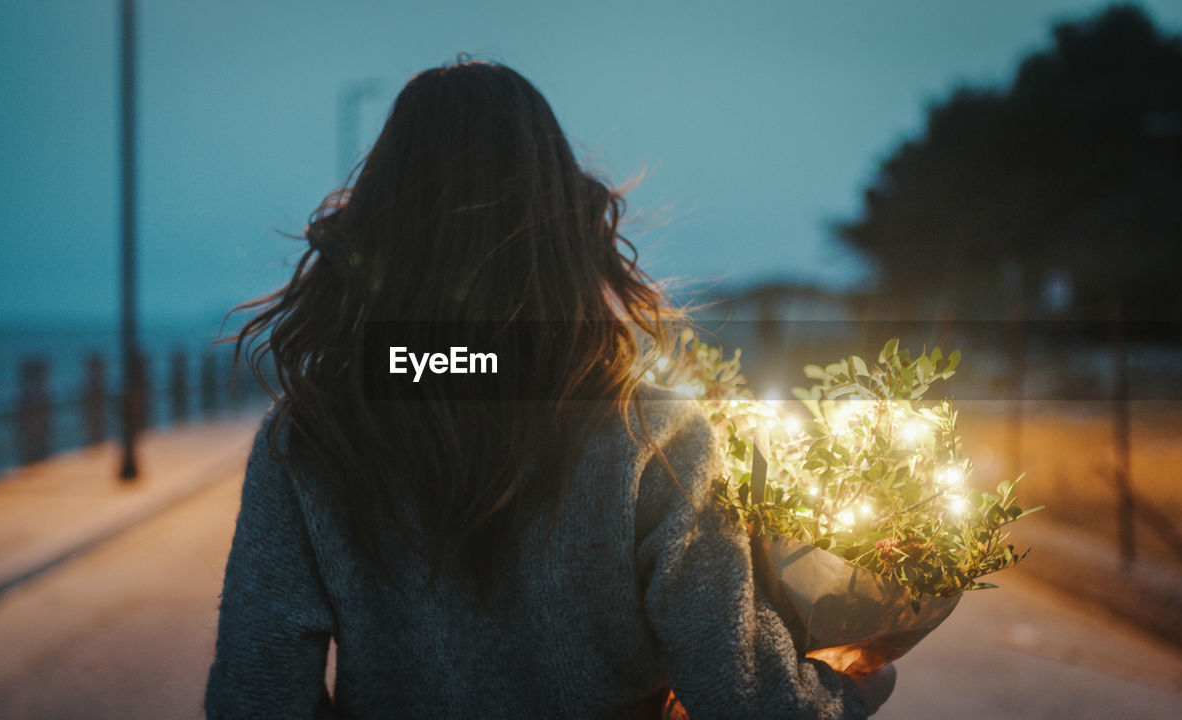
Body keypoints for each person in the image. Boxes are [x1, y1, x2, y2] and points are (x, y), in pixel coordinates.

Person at [204, 58, 894, 719]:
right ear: (565, 232)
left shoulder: (308, 441)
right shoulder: (656, 433)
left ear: (380, 234)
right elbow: (739, 693)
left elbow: (257, 699)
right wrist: (849, 692)